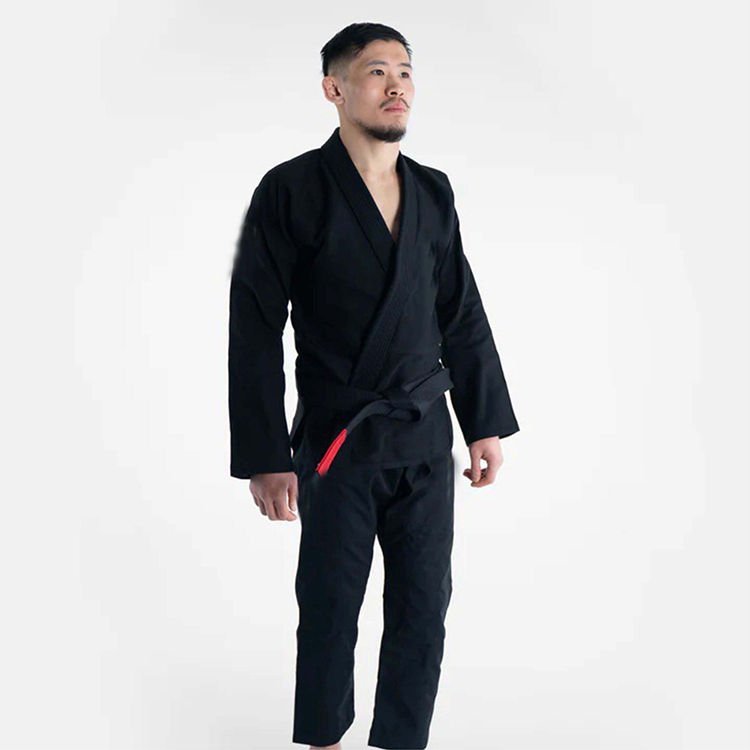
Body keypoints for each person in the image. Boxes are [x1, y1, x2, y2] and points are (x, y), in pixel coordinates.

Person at [228, 22, 520, 750]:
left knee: (424, 607)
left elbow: (461, 310)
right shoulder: (290, 190)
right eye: (377, 71)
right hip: (339, 439)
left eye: (406, 72)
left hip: (423, 433)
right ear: (334, 89)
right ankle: (324, 740)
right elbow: (255, 328)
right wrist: (266, 454)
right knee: (330, 604)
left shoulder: (432, 190)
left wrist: (483, 420)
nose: (397, 86)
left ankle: (401, 741)